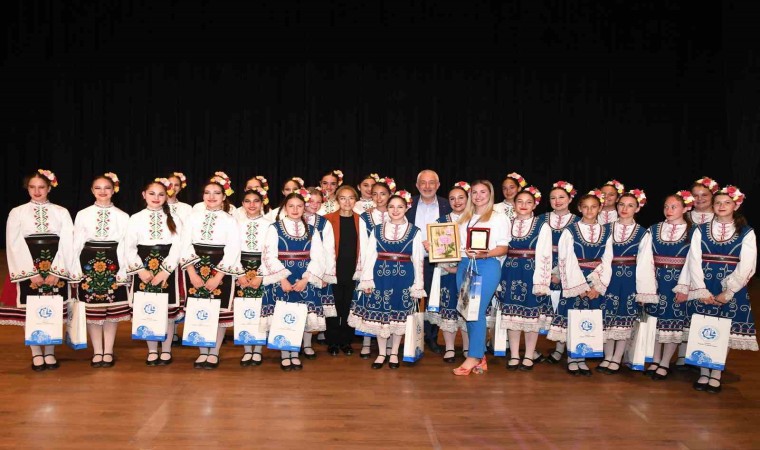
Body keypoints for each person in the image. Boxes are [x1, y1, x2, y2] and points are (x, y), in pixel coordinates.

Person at [684, 185, 757, 393]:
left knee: (724, 330)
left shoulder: (746, 232)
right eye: (718, 203)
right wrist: (701, 289)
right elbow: (694, 260)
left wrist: (729, 290)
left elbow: (747, 264)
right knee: (702, 327)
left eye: (727, 202)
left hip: (730, 285)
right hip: (705, 283)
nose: (722, 206)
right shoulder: (700, 230)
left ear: (736, 205)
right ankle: (703, 371)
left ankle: (716, 373)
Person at [1, 169, 73, 371]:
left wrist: (56, 271)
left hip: (55, 262)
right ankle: (36, 353)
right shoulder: (17, 212)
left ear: (49, 188)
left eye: (41, 187)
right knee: (31, 309)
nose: (37, 191)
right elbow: (14, 243)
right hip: (28, 262)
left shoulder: (61, 212)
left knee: (53, 307)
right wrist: (30, 273)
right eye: (32, 187)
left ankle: (50, 351)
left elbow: (67, 242)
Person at [356, 191, 426, 369]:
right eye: (392, 207)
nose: (395, 210)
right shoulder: (377, 229)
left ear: (406, 208)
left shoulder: (415, 231)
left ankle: (394, 352)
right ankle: (381, 353)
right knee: (381, 314)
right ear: (387, 209)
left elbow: (418, 259)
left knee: (399, 315)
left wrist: (418, 285)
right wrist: (367, 280)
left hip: (404, 278)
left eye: (400, 207)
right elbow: (370, 256)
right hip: (381, 276)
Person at [179, 175, 242, 369]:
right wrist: (192, 273)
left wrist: (218, 276)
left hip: (220, 268)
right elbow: (184, 245)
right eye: (207, 193)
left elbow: (233, 249)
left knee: (218, 312)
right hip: (195, 266)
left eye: (216, 193)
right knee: (199, 309)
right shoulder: (192, 217)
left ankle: (214, 352)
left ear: (224, 196)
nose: (211, 197)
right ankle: (202, 351)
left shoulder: (230, 220)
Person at [259, 189, 326, 371]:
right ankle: (284, 354)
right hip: (282, 277)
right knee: (283, 315)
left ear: (304, 208)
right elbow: (268, 255)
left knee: (300, 315)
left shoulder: (312, 230)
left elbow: (319, 257)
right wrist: (282, 279)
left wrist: (306, 279)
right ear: (285, 208)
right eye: (291, 206)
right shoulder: (274, 228)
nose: (295, 210)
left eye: (299, 206)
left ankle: (294, 353)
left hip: (304, 277)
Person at [547, 190, 611, 376]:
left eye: (593, 207)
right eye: (586, 207)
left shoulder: (606, 231)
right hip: (575, 280)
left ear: (599, 208)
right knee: (572, 319)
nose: (589, 211)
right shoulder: (571, 230)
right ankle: (572, 358)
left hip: (595, 279)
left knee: (588, 320)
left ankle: (582, 357)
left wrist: (597, 286)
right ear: (580, 208)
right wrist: (580, 287)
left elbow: (608, 259)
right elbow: (566, 259)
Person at [70, 172, 131, 368]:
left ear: (114, 190)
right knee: (92, 310)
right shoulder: (83, 214)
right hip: (88, 263)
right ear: (92, 190)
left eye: (107, 188)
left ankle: (109, 350)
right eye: (98, 188)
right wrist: (75, 269)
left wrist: (123, 270)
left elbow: (126, 245)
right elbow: (76, 243)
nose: (102, 191)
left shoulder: (123, 216)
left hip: (114, 262)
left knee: (112, 310)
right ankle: (97, 350)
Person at [593, 189, 655, 375]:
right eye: (621, 204)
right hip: (608, 277)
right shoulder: (605, 228)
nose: (624, 209)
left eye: (630, 205)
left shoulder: (643, 233)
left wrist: (644, 291)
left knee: (624, 317)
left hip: (629, 279)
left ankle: (617, 357)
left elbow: (645, 263)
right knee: (607, 317)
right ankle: (607, 356)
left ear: (637, 208)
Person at [452, 180, 510, 375]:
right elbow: (457, 246)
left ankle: (474, 356)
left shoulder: (498, 217)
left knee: (475, 310)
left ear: (490, 194)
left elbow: (503, 247)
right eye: (474, 192)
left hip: (487, 265)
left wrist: (484, 254)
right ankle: (480, 357)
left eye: (483, 192)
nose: (478, 196)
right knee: (468, 311)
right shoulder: (464, 218)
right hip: (465, 265)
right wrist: (436, 247)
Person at [124, 178, 183, 366]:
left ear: (166, 196)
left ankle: (166, 349)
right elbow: (129, 247)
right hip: (144, 267)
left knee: (167, 311)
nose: (156, 198)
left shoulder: (174, 218)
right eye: (152, 193)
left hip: (167, 268)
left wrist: (165, 271)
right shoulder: (135, 218)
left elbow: (178, 246)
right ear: (144, 195)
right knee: (147, 308)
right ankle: (151, 350)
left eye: (161, 194)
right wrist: (140, 270)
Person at [497, 187, 553, 371]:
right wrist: (497, 279)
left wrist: (541, 282)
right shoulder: (506, 223)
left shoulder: (542, 226)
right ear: (514, 204)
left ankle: (529, 354)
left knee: (531, 318)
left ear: (534, 205)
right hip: (509, 272)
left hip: (531, 273)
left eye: (529, 202)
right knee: (512, 316)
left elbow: (545, 255)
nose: (523, 205)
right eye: (519, 201)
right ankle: (514, 354)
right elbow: (500, 252)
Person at [641, 190, 694, 380]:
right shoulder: (654, 229)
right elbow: (645, 258)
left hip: (678, 282)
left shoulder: (693, 231)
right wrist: (647, 285)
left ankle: (665, 362)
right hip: (657, 280)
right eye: (666, 206)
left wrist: (684, 286)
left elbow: (693, 261)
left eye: (674, 207)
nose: (669, 210)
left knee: (673, 322)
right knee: (655, 321)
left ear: (685, 208)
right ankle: (655, 359)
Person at [406, 169, 452, 354]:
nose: (427, 186)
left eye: (431, 182)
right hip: (411, 261)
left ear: (438, 185)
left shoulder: (447, 205)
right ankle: (411, 337)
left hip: (437, 262)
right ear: (417, 186)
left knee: (435, 300)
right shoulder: (407, 204)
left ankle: (431, 337)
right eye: (423, 183)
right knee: (412, 299)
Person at [424, 182, 470, 363]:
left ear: (468, 199)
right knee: (448, 309)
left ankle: (467, 347)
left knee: (467, 310)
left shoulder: (476, 219)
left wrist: (462, 267)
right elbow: (436, 250)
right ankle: (449, 347)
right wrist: (431, 247)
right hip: (446, 273)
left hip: (469, 272)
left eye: (461, 198)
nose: (457, 201)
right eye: (452, 198)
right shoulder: (440, 222)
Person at [542, 181, 579, 364]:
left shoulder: (578, 222)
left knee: (565, 309)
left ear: (570, 199)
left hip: (568, 270)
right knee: (546, 307)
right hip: (543, 268)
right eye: (553, 198)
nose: (557, 201)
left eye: (561, 197)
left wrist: (559, 273)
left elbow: (577, 251)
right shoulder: (541, 219)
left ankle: (561, 348)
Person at [235, 188, 273, 366]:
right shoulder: (236, 224)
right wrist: (239, 273)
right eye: (247, 201)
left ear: (262, 203)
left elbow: (271, 253)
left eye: (256, 201)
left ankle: (257, 349)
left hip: (261, 268)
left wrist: (261, 274)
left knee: (260, 309)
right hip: (241, 268)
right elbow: (232, 250)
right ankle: (246, 349)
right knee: (244, 309)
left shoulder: (270, 225)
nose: (252, 205)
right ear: (242, 204)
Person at [325, 185, 362, 355]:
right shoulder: (327, 219)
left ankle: (346, 341)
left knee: (349, 306)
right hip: (333, 270)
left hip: (353, 270)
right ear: (337, 200)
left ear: (356, 200)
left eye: (351, 198)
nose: (347, 202)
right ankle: (332, 341)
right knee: (333, 306)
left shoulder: (361, 220)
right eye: (343, 198)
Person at [304, 186, 336, 356]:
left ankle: (307, 344)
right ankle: (292, 342)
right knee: (296, 306)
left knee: (311, 307)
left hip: (317, 269)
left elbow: (329, 250)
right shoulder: (291, 219)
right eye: (311, 201)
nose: (315, 205)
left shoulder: (324, 223)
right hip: (296, 269)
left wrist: (326, 274)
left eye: (318, 202)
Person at [166, 171, 193, 345]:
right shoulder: (157, 207)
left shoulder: (187, 208)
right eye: (169, 184)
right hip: (163, 256)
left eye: (176, 185)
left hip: (181, 255)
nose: (172, 188)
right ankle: (164, 333)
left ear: (181, 188)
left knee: (179, 294)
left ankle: (175, 331)